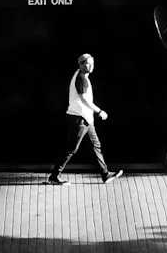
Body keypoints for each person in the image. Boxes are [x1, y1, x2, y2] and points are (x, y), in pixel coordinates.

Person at [48, 53, 123, 185]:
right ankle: (54, 176)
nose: (90, 66)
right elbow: (84, 99)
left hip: (86, 119)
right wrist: (99, 111)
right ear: (81, 65)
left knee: (95, 145)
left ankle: (105, 174)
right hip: (79, 119)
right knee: (71, 148)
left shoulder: (81, 75)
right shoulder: (81, 78)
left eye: (91, 63)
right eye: (87, 63)